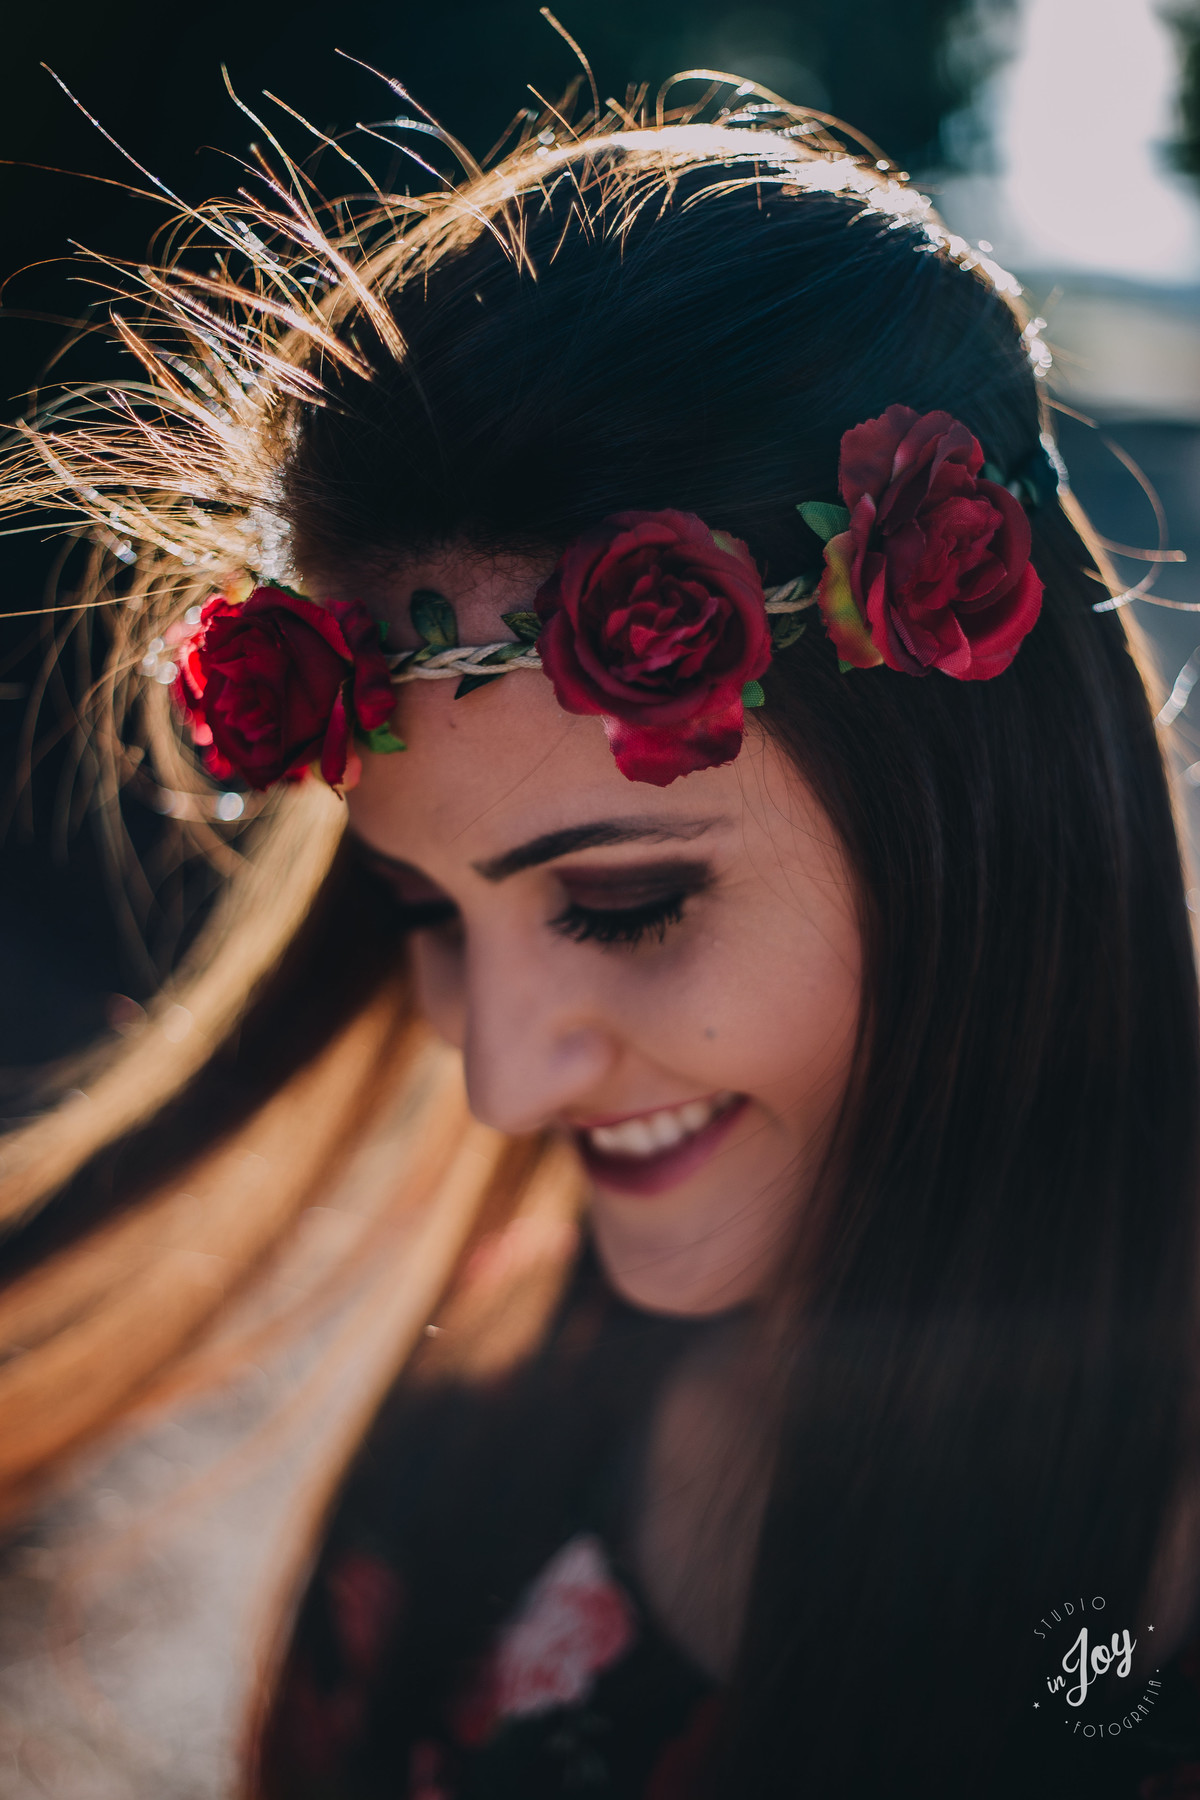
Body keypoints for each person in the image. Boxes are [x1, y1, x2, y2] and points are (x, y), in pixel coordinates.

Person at [2, 85, 1200, 1800]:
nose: (499, 1077)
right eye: (427, 912)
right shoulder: (482, 1436)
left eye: (626, 905)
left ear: (980, 822)